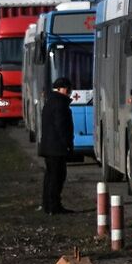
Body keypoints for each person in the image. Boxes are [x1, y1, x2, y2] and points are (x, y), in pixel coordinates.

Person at [37, 77, 76, 214]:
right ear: (62, 89)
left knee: (50, 177)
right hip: (56, 148)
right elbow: (61, 126)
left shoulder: (50, 101)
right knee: (57, 177)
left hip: (49, 147)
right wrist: (67, 144)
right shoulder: (60, 103)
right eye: (68, 89)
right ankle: (54, 206)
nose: (70, 92)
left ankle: (48, 205)